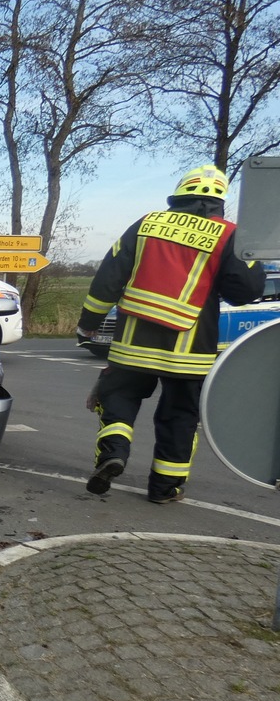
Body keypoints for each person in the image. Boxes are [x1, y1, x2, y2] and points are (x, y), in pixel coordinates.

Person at [76, 164, 265, 503]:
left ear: (180, 192)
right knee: (180, 416)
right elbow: (244, 292)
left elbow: (108, 276)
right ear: (221, 200)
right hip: (191, 350)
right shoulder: (228, 234)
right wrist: (254, 257)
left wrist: (89, 322)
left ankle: (114, 453)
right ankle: (165, 488)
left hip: (132, 344)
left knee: (117, 399)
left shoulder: (148, 224)